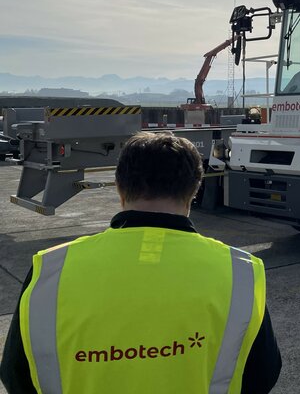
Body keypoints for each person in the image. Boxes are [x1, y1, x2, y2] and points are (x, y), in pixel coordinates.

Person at [0, 132, 281, 393]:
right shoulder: (240, 271)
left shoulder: (51, 269)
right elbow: (262, 374)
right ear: (194, 190)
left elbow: (16, 375)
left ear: (119, 188)